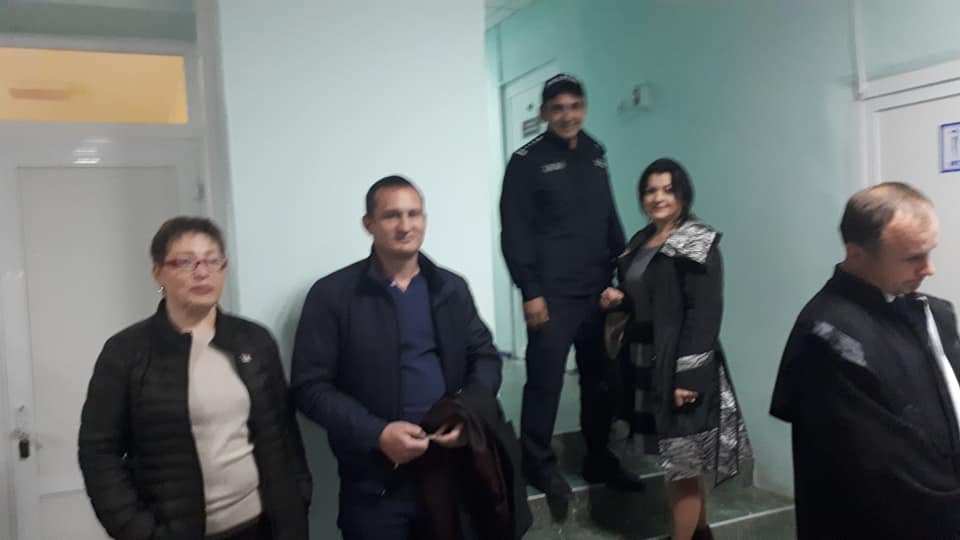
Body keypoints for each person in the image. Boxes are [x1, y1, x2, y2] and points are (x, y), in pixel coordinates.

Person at [291, 176, 520, 540]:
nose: (405, 225)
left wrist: (468, 414)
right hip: (375, 485)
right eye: (391, 215)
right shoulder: (333, 295)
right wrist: (377, 433)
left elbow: (485, 357)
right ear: (368, 224)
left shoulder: (450, 288)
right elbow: (310, 387)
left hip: (448, 472)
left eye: (414, 214)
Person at [78, 217, 312, 540]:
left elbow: (285, 434)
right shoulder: (126, 352)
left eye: (213, 261)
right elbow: (98, 452)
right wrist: (137, 530)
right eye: (185, 262)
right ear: (158, 272)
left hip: (264, 526)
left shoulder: (254, 340)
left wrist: (298, 499)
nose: (202, 272)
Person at [771, 182, 960, 538]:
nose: (929, 269)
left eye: (929, 252)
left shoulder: (931, 315)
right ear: (856, 254)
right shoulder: (828, 337)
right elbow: (884, 470)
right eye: (912, 258)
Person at [499, 73, 642, 511]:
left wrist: (624, 277)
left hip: (597, 290)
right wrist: (530, 291)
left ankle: (599, 457)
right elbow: (514, 231)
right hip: (552, 295)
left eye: (575, 106)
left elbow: (609, 218)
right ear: (544, 113)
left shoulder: (596, 154)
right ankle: (538, 462)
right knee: (545, 382)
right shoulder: (526, 161)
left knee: (600, 382)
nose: (567, 116)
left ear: (584, 108)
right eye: (558, 108)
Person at [602, 158, 752, 540]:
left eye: (668, 190)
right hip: (646, 360)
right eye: (651, 190)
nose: (659, 198)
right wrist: (620, 299)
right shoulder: (641, 241)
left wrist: (689, 377)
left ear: (683, 194)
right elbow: (651, 299)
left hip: (681, 367)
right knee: (678, 462)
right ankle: (701, 534)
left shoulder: (696, 240)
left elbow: (704, 312)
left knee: (682, 463)